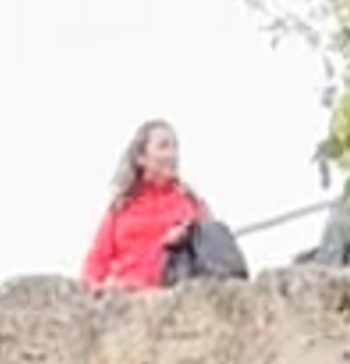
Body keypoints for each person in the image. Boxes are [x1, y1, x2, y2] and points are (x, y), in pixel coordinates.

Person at [79, 120, 243, 290]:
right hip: (121, 303)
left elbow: (209, 261)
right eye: (164, 146)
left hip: (170, 301)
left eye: (175, 147)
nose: (173, 154)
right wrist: (96, 288)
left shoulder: (191, 203)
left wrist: (176, 245)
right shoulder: (120, 208)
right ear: (141, 158)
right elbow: (94, 265)